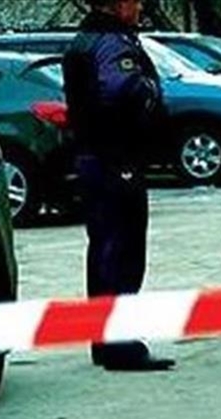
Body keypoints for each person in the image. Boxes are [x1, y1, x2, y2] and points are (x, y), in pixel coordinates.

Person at [63, 0, 174, 371]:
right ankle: (119, 343)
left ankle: (104, 339)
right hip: (115, 157)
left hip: (95, 156)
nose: (140, 7)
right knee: (122, 249)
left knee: (103, 249)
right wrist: (151, 92)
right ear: (118, 4)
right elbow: (123, 91)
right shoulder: (111, 42)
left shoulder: (84, 38)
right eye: (134, 0)